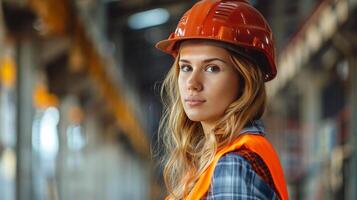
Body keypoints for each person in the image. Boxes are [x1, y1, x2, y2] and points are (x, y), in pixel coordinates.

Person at [156, 0, 289, 199]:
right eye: (186, 67)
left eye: (212, 68)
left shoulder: (233, 166)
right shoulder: (212, 163)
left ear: (245, 80)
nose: (192, 83)